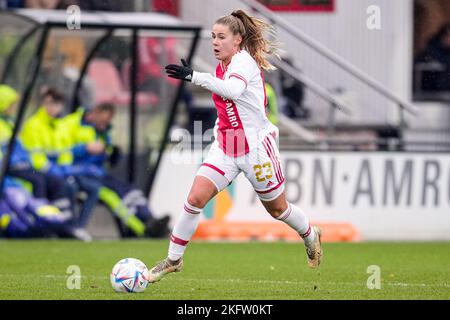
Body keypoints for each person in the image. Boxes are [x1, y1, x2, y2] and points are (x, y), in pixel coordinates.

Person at [147, 9, 323, 283]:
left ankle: (310, 235)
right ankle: (173, 259)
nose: (215, 42)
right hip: (226, 148)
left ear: (238, 40)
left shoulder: (243, 63)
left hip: (255, 150)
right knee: (194, 200)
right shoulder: (222, 66)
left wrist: (194, 76)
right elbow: (228, 106)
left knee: (278, 210)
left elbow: (232, 91)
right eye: (213, 37)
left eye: (221, 37)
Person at [63, 103, 171, 238]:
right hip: (79, 174)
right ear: (95, 114)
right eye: (103, 121)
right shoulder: (72, 123)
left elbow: (105, 156)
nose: (106, 124)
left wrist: (111, 153)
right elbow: (62, 150)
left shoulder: (102, 131)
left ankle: (151, 219)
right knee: (117, 198)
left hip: (99, 173)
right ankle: (143, 230)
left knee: (132, 191)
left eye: (108, 121)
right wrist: (85, 149)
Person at [20, 87, 98, 241]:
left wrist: (65, 169)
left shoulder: (60, 126)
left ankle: (76, 226)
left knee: (91, 188)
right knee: (67, 186)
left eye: (56, 104)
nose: (52, 107)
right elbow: (35, 157)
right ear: (42, 103)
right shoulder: (33, 125)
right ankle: (63, 227)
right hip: (39, 171)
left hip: (60, 171)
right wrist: (55, 170)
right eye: (49, 103)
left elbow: (65, 152)